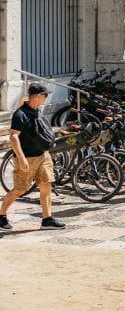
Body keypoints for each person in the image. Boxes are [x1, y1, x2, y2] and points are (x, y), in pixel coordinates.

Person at [0, 83, 64, 231]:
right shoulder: (20, 114)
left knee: (46, 185)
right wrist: (21, 158)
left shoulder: (37, 111)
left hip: (42, 155)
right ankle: (1, 215)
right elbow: (13, 137)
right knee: (20, 189)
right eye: (44, 95)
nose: (46, 98)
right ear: (37, 96)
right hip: (27, 158)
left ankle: (47, 219)